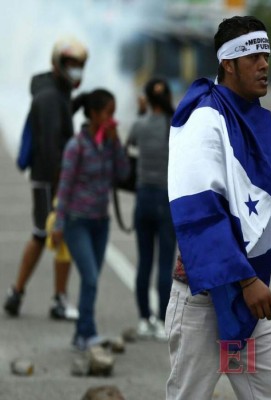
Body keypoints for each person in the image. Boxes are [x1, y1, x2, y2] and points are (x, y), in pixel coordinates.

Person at [165, 16, 271, 400]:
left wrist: (250, 281)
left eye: (266, 54)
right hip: (205, 292)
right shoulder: (204, 117)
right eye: (253, 55)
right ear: (228, 62)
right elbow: (199, 209)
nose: (264, 64)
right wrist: (247, 281)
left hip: (249, 289)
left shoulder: (248, 115)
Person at [4, 36, 88, 320]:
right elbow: (53, 145)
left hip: (45, 177)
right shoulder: (51, 96)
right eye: (71, 64)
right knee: (53, 234)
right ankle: (58, 301)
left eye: (80, 65)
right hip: (51, 179)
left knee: (41, 234)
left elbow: (59, 122)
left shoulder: (54, 91)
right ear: (58, 63)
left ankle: (16, 294)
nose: (76, 70)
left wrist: (77, 104)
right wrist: (62, 190)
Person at [51, 88, 130, 351]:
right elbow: (64, 186)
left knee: (90, 280)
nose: (112, 119)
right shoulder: (76, 146)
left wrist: (116, 141)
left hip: (101, 221)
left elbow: (123, 173)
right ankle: (88, 332)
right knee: (92, 277)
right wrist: (59, 224)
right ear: (94, 114)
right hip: (78, 222)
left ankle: (81, 336)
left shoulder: (108, 143)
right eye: (108, 113)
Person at [126, 78, 176, 340]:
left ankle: (145, 318)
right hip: (168, 199)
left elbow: (131, 142)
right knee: (165, 262)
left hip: (143, 197)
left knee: (144, 261)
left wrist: (141, 111)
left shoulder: (140, 124)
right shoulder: (175, 124)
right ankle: (165, 320)